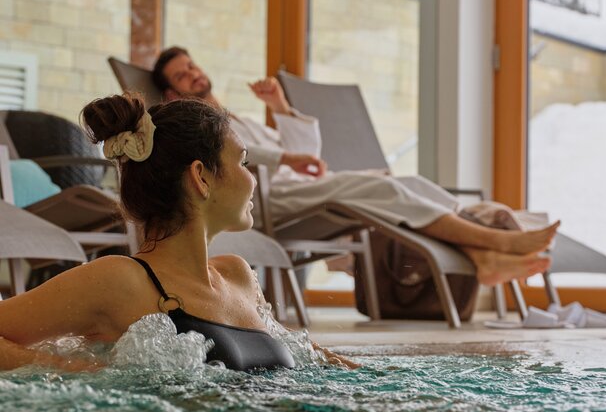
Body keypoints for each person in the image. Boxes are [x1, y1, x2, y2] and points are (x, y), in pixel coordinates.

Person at [0, 93, 353, 372]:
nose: (252, 179)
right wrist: (73, 370)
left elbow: (312, 359)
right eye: (243, 162)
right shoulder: (121, 280)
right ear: (201, 176)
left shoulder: (237, 275)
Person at [152, 47, 560, 286]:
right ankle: (497, 242)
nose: (193, 74)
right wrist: (286, 158)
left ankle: (482, 253)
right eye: (182, 75)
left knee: (406, 181)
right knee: (386, 191)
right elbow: (233, 160)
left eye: (193, 66)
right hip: (271, 198)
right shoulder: (196, 128)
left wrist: (280, 108)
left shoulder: (238, 119)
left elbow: (305, 148)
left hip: (296, 184)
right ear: (171, 93)